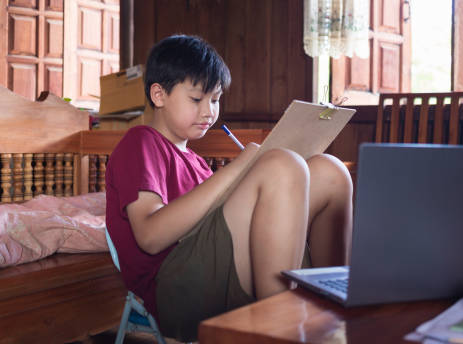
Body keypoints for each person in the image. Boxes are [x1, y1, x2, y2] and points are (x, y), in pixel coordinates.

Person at [105, 34, 353, 342]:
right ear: (159, 95)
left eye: (216, 99)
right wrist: (242, 166)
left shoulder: (196, 162)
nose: (209, 111)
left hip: (211, 268)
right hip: (175, 290)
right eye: (197, 99)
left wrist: (243, 171)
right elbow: (151, 236)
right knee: (280, 165)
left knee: (330, 171)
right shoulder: (141, 142)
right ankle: (276, 330)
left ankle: (332, 311)